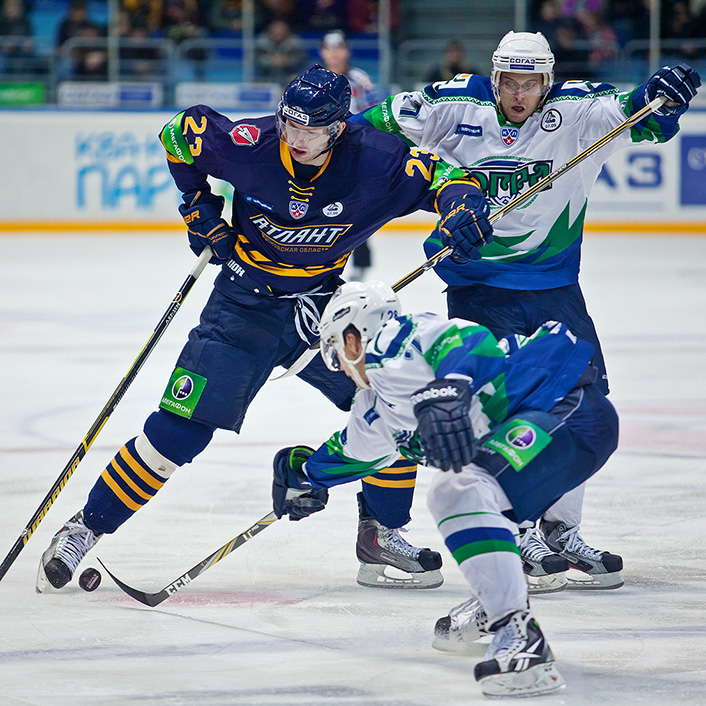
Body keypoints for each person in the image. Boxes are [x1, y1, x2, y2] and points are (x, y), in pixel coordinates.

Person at [35, 65, 494, 594]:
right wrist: (197, 206)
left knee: (391, 404)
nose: (295, 138)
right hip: (240, 307)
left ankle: (381, 533)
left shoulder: (377, 160)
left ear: (338, 128)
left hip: (323, 310)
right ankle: (84, 528)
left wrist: (463, 209)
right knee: (180, 431)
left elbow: (451, 178)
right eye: (289, 124)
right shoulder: (250, 143)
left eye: (310, 130)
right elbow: (178, 134)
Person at [350, 31, 700, 592]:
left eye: (530, 84)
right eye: (509, 82)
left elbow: (646, 117)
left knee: (583, 403)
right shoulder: (452, 105)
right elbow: (366, 129)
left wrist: (665, 95)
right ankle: (514, 529)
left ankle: (561, 531)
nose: (518, 94)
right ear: (494, 79)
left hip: (555, 287)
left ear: (547, 81)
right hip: (478, 285)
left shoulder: (579, 110)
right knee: (501, 409)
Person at [270, 280, 619, 698]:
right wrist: (305, 476)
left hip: (566, 410)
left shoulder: (398, 339)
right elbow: (354, 452)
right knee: (480, 500)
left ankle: (521, 640)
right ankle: (496, 602)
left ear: (352, 337)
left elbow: (466, 340)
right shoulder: (374, 405)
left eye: (334, 350)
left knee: (456, 491)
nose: (340, 368)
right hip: (548, 441)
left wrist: (446, 390)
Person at [319, 29, 386, 280]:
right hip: (320, 152)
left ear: (347, 51)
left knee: (355, 208)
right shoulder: (314, 79)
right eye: (330, 48)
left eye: (339, 48)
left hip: (354, 152)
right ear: (322, 52)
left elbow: (377, 113)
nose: (335, 54)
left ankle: (360, 262)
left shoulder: (360, 79)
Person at [254, 19, 308, 87]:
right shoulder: (261, 42)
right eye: (276, 30)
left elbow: (301, 58)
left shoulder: (295, 42)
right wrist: (270, 60)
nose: (278, 32)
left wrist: (286, 60)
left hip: (289, 75)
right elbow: (256, 59)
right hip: (266, 76)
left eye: (281, 30)